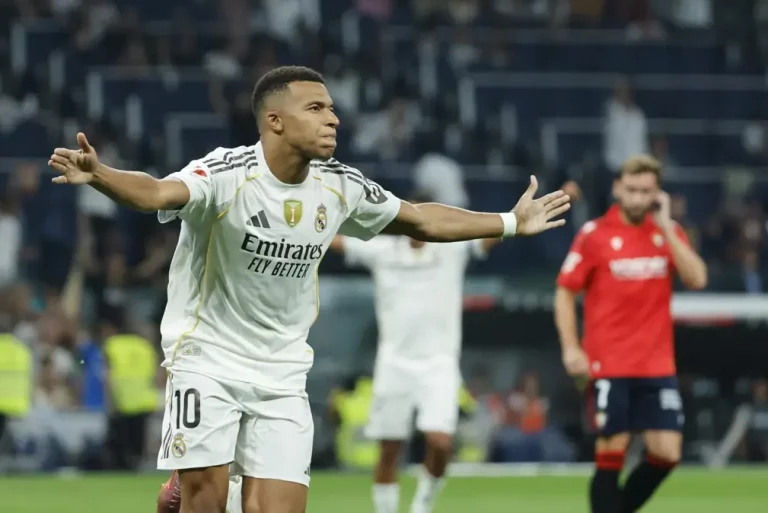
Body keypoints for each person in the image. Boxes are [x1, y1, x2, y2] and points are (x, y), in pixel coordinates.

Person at [49, 65, 570, 513]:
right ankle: (188, 484)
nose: (334, 119)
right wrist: (101, 175)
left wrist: (508, 221)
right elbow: (158, 191)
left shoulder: (339, 185)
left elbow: (419, 220)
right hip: (207, 357)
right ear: (275, 121)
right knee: (204, 504)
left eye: (333, 108)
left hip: (283, 371)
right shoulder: (229, 174)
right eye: (317, 108)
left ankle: (186, 485)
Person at [327, 194, 501, 513]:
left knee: (440, 442)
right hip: (394, 363)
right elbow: (337, 242)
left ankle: (423, 503)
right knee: (390, 448)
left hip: (439, 363)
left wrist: (515, 219)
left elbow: (488, 237)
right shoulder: (381, 250)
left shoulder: (450, 248)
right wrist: (303, 223)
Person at [553, 155, 707, 513]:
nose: (638, 198)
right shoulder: (595, 235)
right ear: (618, 188)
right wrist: (571, 347)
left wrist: (667, 226)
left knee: (667, 453)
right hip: (610, 364)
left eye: (646, 191)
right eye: (632, 190)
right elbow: (564, 290)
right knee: (612, 452)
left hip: (657, 365)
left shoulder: (667, 233)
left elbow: (697, 279)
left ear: (657, 193)